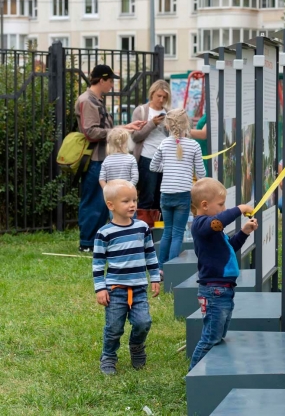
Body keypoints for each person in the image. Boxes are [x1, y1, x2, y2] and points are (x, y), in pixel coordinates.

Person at [188, 178, 258, 370]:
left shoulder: (214, 231)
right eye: (220, 204)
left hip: (224, 290)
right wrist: (239, 209)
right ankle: (194, 374)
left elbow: (230, 248)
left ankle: (211, 371)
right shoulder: (201, 225)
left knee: (218, 335)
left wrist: (244, 232)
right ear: (204, 205)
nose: (224, 208)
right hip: (214, 292)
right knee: (210, 337)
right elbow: (218, 221)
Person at [93, 180, 161, 375]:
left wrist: (155, 277)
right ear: (111, 205)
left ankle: (137, 346)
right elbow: (98, 264)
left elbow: (150, 254)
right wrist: (100, 288)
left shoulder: (142, 228)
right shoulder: (104, 233)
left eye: (134, 200)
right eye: (126, 201)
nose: (132, 204)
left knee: (143, 322)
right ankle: (109, 356)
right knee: (114, 327)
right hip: (115, 290)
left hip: (139, 288)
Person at [76, 64, 144, 252]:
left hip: (103, 158)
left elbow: (104, 129)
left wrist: (127, 127)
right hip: (95, 159)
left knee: (105, 201)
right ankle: (87, 243)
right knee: (94, 202)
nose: (112, 85)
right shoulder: (87, 100)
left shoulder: (96, 99)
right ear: (102, 80)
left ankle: (98, 241)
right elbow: (90, 132)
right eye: (111, 80)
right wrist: (118, 130)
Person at [150, 109, 206, 267]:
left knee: (167, 231)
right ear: (187, 123)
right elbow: (201, 173)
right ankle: (171, 268)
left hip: (166, 194)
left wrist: (168, 168)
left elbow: (153, 166)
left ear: (168, 125)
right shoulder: (194, 145)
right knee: (178, 233)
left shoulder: (163, 143)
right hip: (183, 194)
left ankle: (160, 267)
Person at [131, 80, 172, 210]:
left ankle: (159, 229)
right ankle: (145, 228)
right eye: (159, 96)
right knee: (147, 198)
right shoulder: (142, 111)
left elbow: (173, 138)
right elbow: (136, 136)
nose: (161, 100)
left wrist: (169, 128)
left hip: (165, 160)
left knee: (162, 199)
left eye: (164, 97)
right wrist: (152, 124)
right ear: (152, 94)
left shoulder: (168, 112)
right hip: (147, 157)